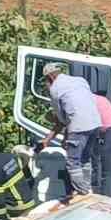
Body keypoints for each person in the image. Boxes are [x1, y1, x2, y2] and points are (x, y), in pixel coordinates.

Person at [38, 62, 99, 199]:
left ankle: (82, 193)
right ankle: (87, 188)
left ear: (50, 78)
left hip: (79, 127)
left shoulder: (55, 89)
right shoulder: (80, 80)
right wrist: (49, 140)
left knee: (73, 162)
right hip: (95, 124)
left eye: (46, 81)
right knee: (85, 158)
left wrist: (49, 139)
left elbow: (62, 120)